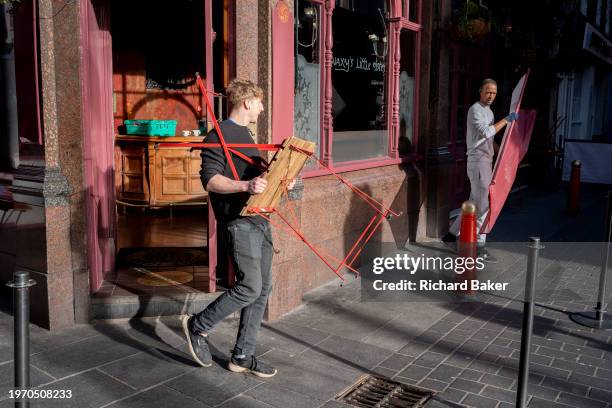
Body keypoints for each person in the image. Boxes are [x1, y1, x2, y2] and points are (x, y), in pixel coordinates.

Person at [182, 78, 288, 378]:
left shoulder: (247, 135)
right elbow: (211, 180)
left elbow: (259, 178)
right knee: (250, 286)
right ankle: (197, 325)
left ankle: (242, 355)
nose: (263, 107)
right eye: (260, 101)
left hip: (260, 219)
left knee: (263, 287)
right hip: (238, 222)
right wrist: (245, 184)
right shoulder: (218, 135)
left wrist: (281, 181)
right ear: (247, 102)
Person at [444, 78, 518, 262]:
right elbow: (486, 132)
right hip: (477, 162)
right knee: (484, 204)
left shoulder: (490, 112)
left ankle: (451, 236)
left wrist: (503, 153)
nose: (491, 95)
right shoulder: (475, 109)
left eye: (494, 92)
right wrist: (507, 120)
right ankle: (479, 245)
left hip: (486, 161)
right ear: (480, 91)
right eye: (488, 91)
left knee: (474, 202)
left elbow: (489, 139)